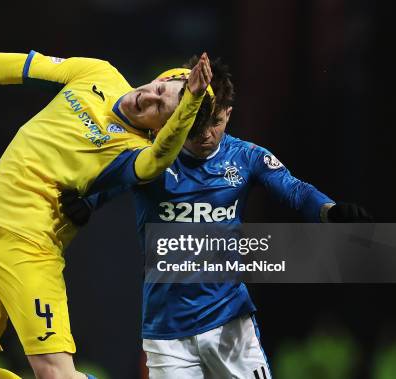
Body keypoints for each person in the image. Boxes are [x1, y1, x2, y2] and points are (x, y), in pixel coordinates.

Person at [0, 29, 215, 379]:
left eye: (161, 109)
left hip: (29, 248)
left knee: (56, 375)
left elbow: (156, 161)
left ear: (163, 130)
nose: (149, 99)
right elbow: (15, 66)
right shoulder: (98, 73)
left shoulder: (134, 151)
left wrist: (189, 104)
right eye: (159, 90)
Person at [60, 56, 372, 378]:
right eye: (199, 122)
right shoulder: (150, 155)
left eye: (217, 122)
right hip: (166, 330)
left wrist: (330, 210)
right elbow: (110, 179)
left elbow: (295, 190)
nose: (207, 134)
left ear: (229, 114)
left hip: (229, 322)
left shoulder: (246, 156)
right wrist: (88, 202)